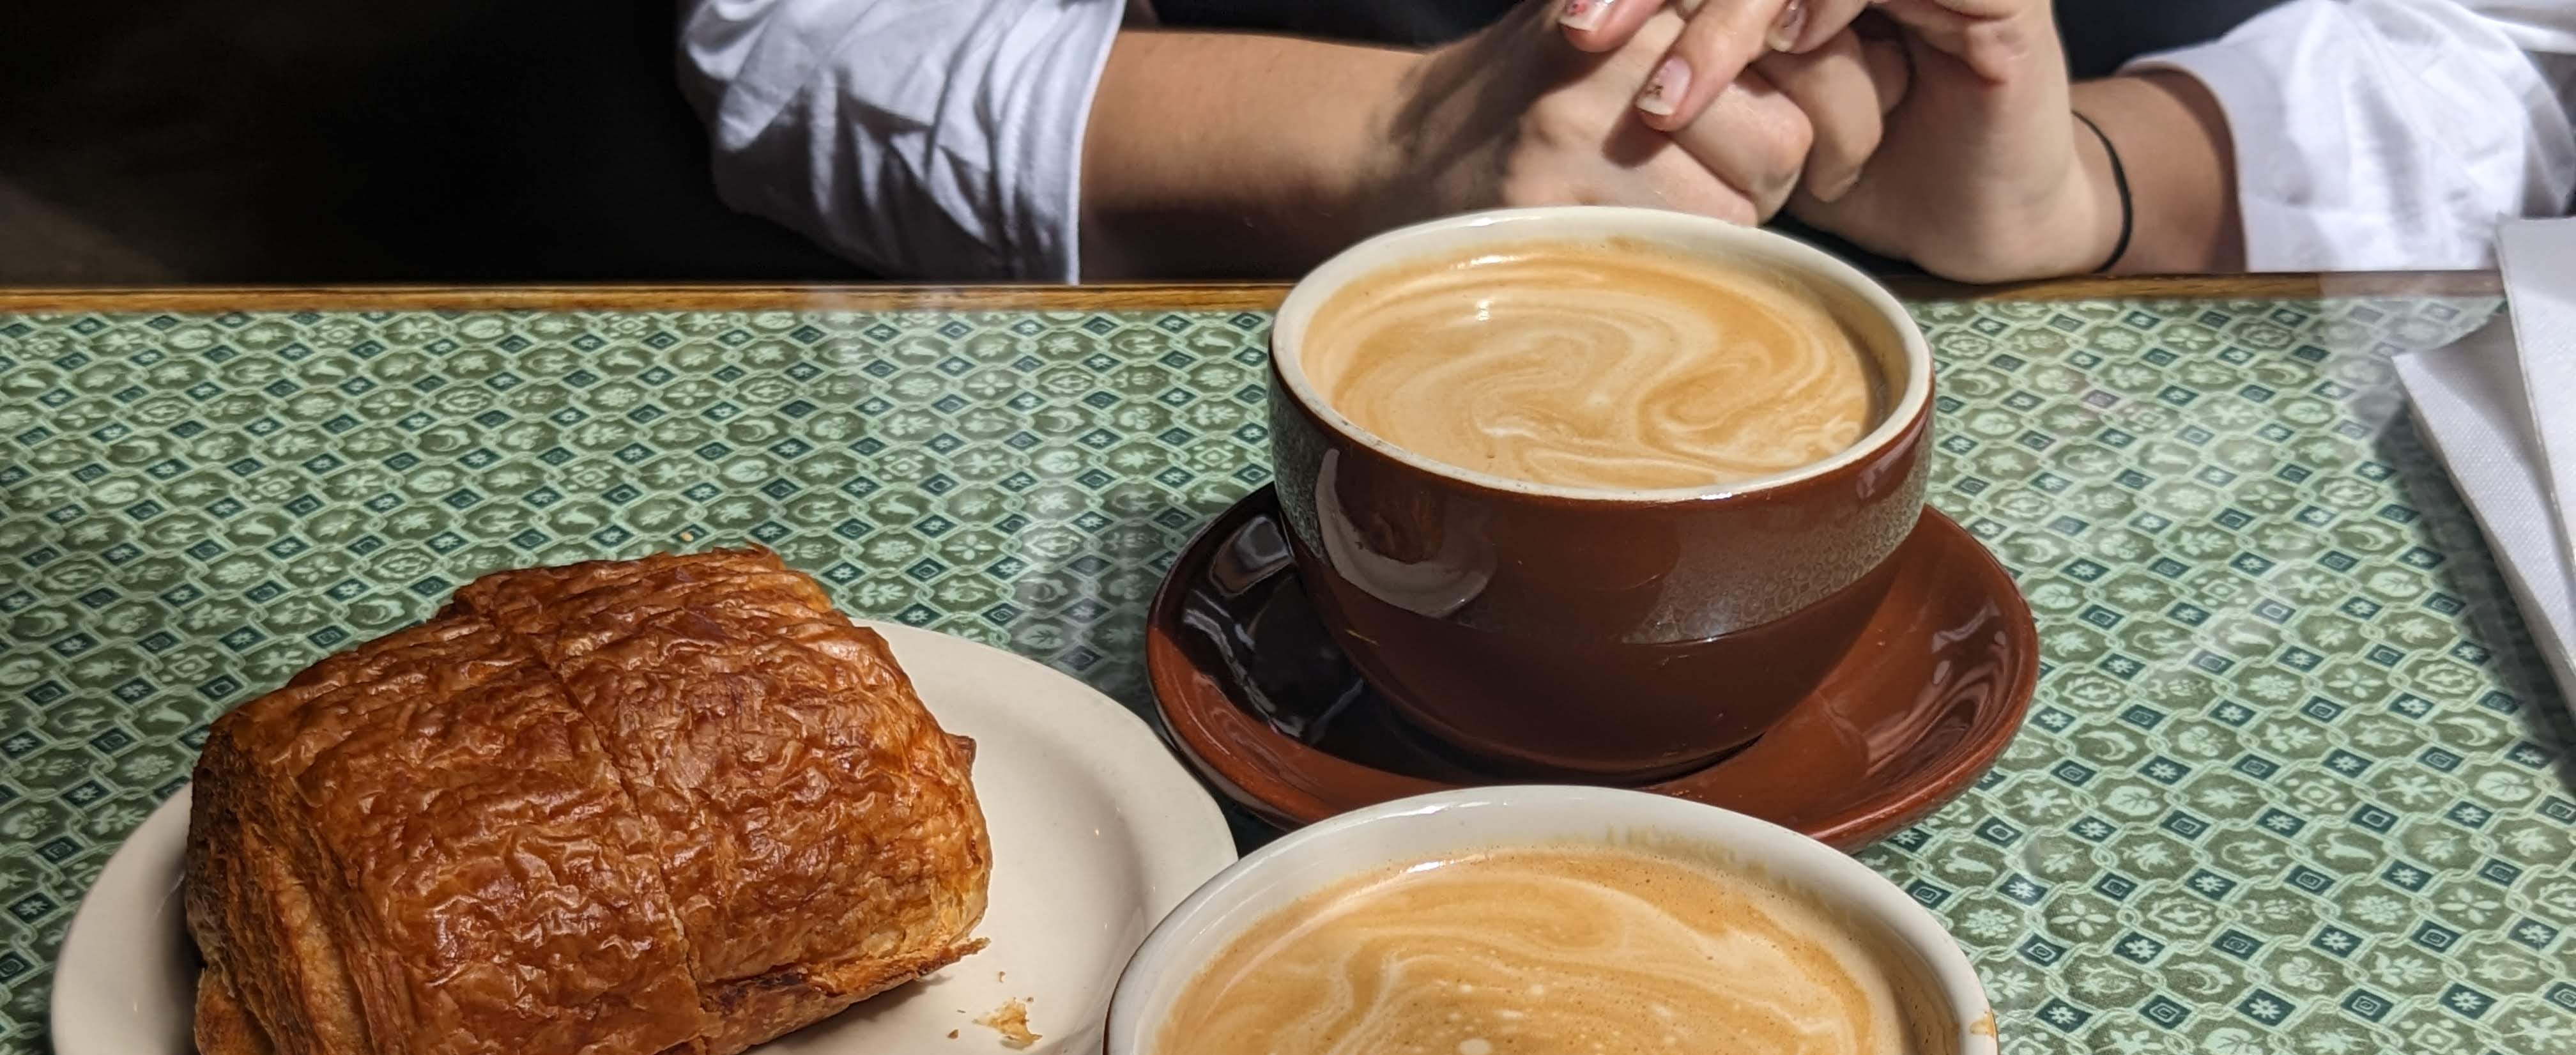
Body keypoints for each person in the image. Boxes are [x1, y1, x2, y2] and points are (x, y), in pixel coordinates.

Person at [678, 0, 2576, 282]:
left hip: (2135, 380)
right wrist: (1394, 134)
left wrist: (2095, 176)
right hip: (1245, 342)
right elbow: (794, 43)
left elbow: (2521, 57)